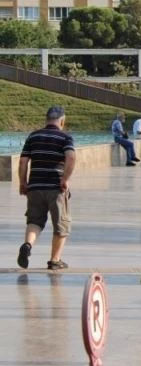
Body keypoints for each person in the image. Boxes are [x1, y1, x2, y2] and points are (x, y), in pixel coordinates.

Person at [16, 106, 76, 271]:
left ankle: (27, 245)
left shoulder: (33, 136)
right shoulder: (65, 137)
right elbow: (71, 157)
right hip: (55, 187)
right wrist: (65, 179)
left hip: (35, 187)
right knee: (61, 225)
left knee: (34, 221)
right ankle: (55, 260)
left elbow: (23, 161)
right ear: (62, 120)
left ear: (46, 119)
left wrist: (23, 182)